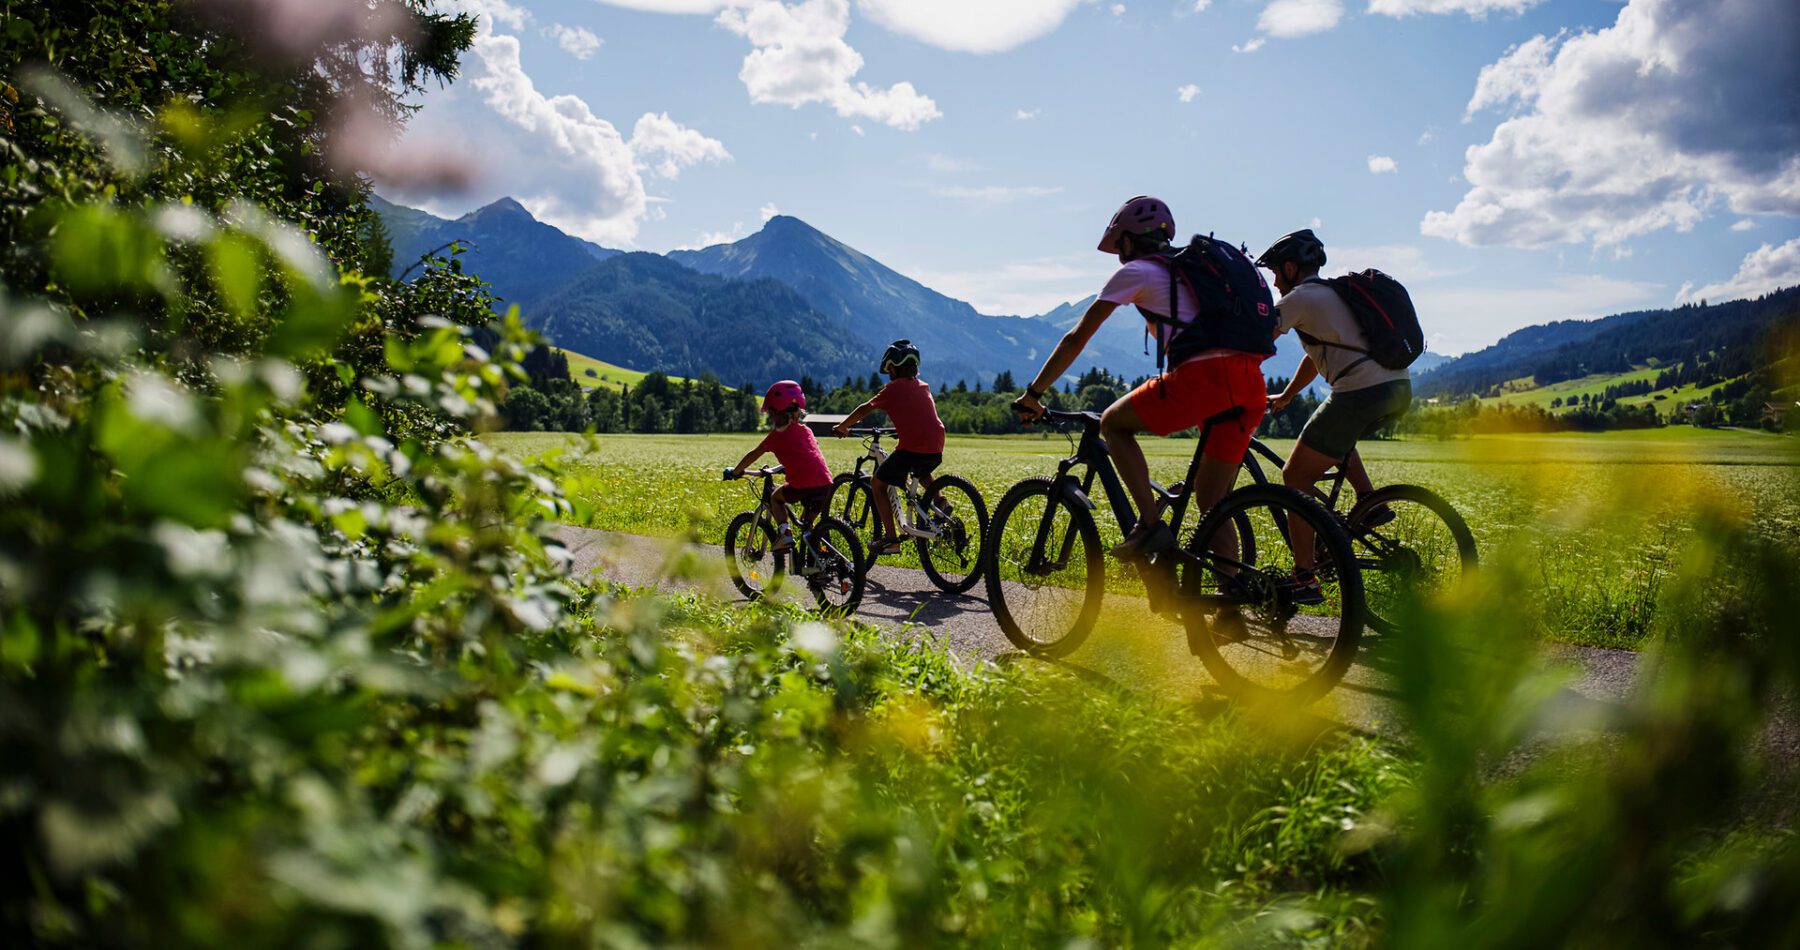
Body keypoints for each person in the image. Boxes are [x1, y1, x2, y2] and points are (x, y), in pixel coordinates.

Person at [1010, 195, 1273, 559]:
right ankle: (1234, 601)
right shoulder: (1189, 271)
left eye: (1119, 247)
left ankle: (1149, 526)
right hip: (1250, 383)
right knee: (1214, 505)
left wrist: (1034, 393)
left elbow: (1077, 337)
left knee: (1114, 424)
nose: (1119, 256)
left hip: (1205, 380)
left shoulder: (1137, 271)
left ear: (1129, 241)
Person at [1258, 229, 1410, 591]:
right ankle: (1370, 503)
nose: (1276, 282)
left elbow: (1255, 337)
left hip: (1360, 392)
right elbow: (1316, 356)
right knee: (1335, 435)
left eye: (1277, 273)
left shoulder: (1300, 298)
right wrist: (1289, 394)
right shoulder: (1334, 294)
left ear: (1292, 268)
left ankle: (1304, 576)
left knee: (1295, 478)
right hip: (1396, 388)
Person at [833, 339, 949, 555]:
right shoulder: (923, 387)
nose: (888, 375)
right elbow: (918, 415)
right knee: (921, 470)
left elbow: (864, 409)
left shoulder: (893, 388)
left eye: (889, 371)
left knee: (878, 484)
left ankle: (891, 539)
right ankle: (940, 501)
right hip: (936, 445)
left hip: (911, 449)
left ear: (894, 368)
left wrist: (843, 426)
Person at [727, 380, 833, 552]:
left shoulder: (775, 437)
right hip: (826, 484)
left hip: (802, 485)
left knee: (776, 498)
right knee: (807, 525)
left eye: (771, 413)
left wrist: (736, 471)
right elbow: (807, 454)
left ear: (777, 412)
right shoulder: (807, 430)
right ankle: (819, 564)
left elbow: (754, 454)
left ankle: (785, 534)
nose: (771, 418)